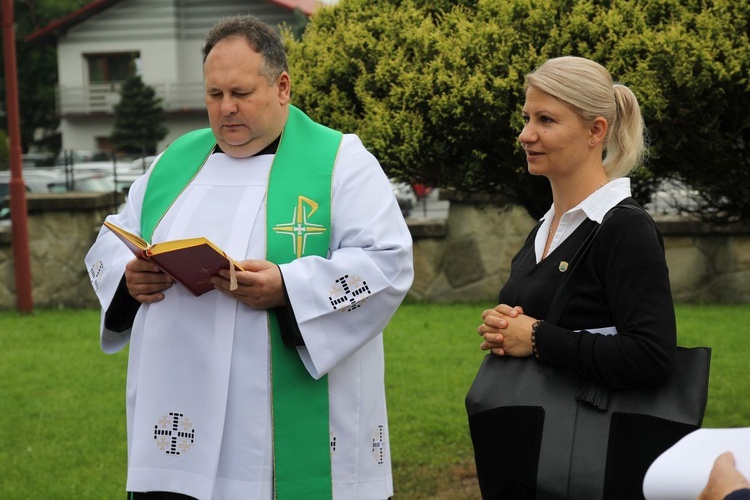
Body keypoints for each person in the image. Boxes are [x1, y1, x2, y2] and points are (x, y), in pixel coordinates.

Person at [84, 15, 413, 500]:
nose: (226, 109)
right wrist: (130, 279)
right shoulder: (176, 162)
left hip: (276, 418)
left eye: (240, 93)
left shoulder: (340, 162)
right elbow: (116, 241)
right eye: (214, 95)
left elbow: (388, 263)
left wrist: (288, 286)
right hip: (178, 406)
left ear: (282, 86)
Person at [472, 56, 677, 497]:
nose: (526, 134)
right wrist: (507, 328)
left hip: (589, 467)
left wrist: (539, 338)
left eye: (546, 119)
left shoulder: (623, 228)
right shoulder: (548, 227)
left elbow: (651, 356)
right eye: (527, 117)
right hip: (537, 459)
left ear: (595, 131)